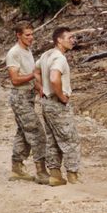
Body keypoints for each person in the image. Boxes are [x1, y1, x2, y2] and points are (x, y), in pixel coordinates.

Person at [35, 27, 81, 186]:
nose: (73, 40)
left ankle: (55, 175)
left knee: (52, 139)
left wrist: (41, 87)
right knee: (70, 139)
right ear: (59, 40)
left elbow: (36, 71)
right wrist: (62, 96)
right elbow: (55, 78)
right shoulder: (59, 59)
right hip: (57, 103)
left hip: (46, 103)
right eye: (69, 37)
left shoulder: (46, 54)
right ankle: (73, 175)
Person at [5, 22, 49, 184]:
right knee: (37, 133)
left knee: (23, 132)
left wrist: (40, 89)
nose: (31, 38)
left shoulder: (27, 51)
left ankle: (17, 167)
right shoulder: (14, 53)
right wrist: (34, 75)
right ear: (18, 35)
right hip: (20, 98)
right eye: (27, 35)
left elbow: (29, 77)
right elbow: (15, 79)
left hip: (28, 96)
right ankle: (41, 171)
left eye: (32, 34)